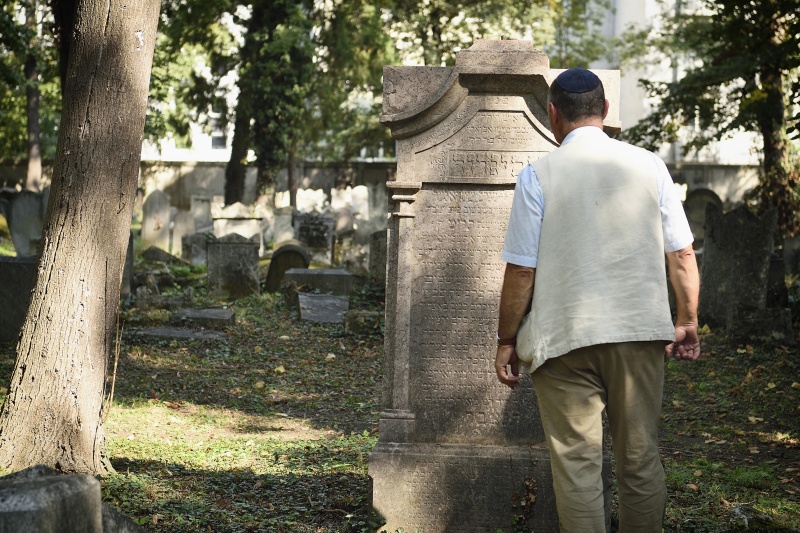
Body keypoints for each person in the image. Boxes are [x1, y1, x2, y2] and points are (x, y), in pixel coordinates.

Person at [494, 68, 701, 532]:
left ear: (552, 115)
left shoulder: (537, 175)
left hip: (564, 338)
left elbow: (522, 269)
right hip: (638, 334)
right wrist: (687, 318)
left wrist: (506, 339)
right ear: (606, 112)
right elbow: (682, 252)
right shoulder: (649, 165)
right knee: (640, 458)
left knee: (577, 468)